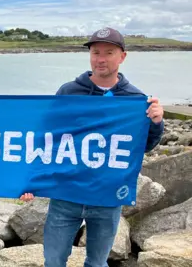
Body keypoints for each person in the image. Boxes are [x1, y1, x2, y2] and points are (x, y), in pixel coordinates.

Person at [20, 27, 164, 267]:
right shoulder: (69, 91)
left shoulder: (135, 99)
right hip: (66, 194)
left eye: (109, 52)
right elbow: (47, 140)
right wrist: (32, 181)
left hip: (107, 196)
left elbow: (143, 147)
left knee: (97, 263)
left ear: (122, 57)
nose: (101, 59)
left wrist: (157, 122)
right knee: (53, 261)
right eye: (96, 52)